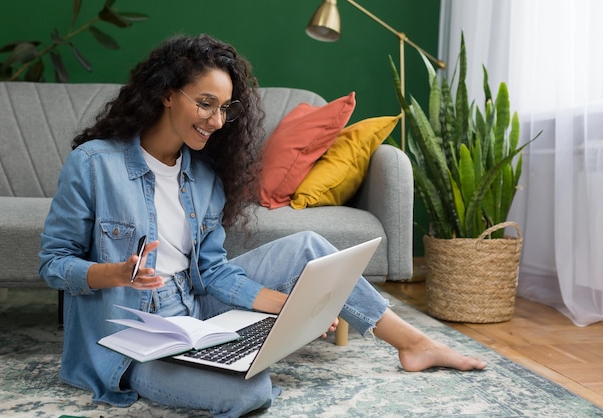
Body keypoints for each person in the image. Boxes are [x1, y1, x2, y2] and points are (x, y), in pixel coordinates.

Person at [39, 33, 486, 417]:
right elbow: (54, 264)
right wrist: (112, 273)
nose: (216, 121)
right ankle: (225, 357)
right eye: (205, 104)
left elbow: (211, 272)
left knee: (309, 245)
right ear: (166, 93)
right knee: (249, 390)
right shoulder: (94, 164)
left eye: (224, 109)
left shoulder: (205, 177)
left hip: (194, 310)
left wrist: (280, 304)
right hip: (131, 336)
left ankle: (412, 343)